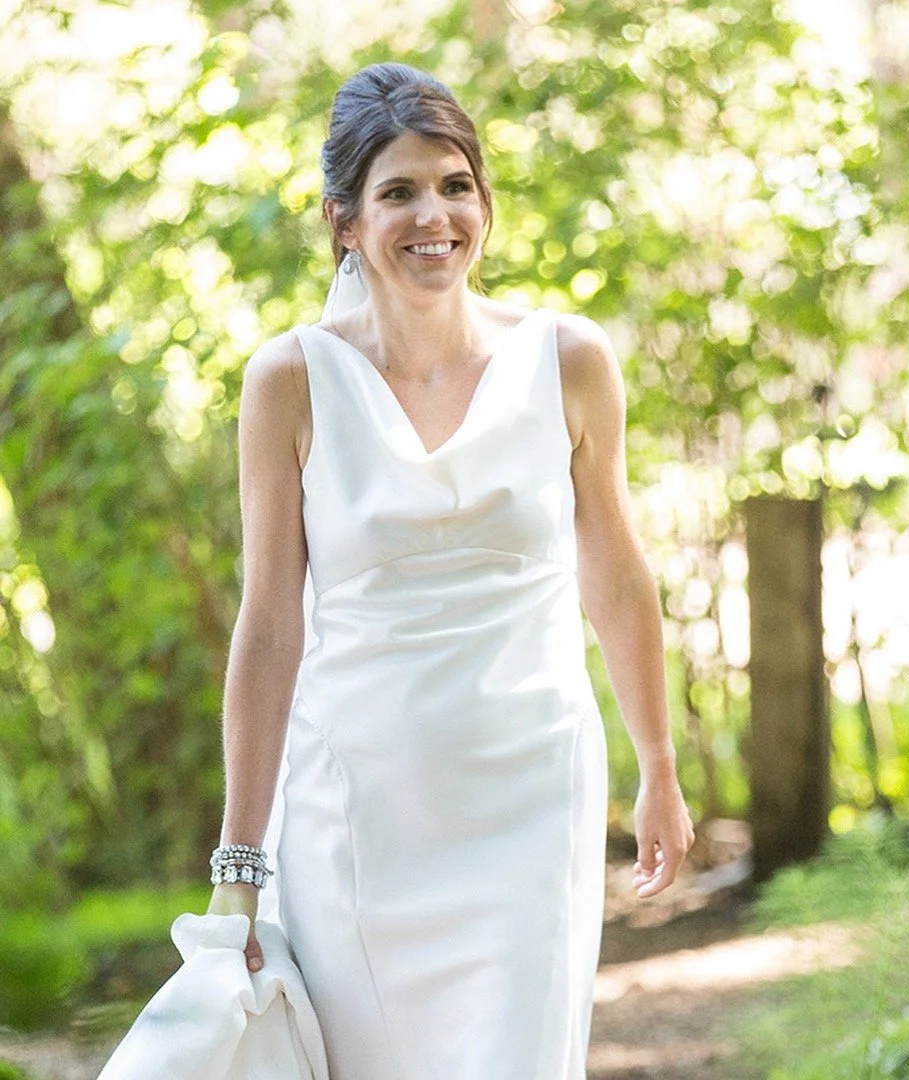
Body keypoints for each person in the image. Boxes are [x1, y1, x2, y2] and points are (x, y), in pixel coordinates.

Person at [204, 61, 694, 1079]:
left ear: (484, 202)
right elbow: (269, 628)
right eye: (398, 192)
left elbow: (617, 577)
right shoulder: (290, 381)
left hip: (529, 800)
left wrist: (660, 768)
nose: (434, 215)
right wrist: (239, 866)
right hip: (354, 816)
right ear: (344, 222)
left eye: (454, 184)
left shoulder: (569, 359)